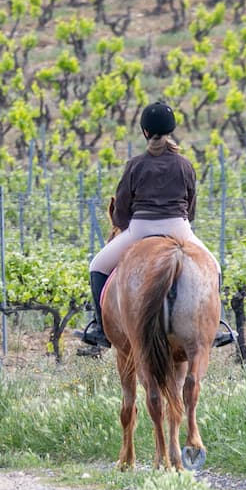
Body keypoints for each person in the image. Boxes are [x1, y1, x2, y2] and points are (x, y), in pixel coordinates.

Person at [81, 101, 235, 349]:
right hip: (178, 228)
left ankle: (100, 328)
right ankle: (216, 325)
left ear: (145, 131)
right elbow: (191, 205)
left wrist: (123, 224)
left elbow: (122, 206)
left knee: (97, 265)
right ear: (170, 130)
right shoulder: (184, 164)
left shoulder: (135, 165)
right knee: (214, 267)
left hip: (140, 228)